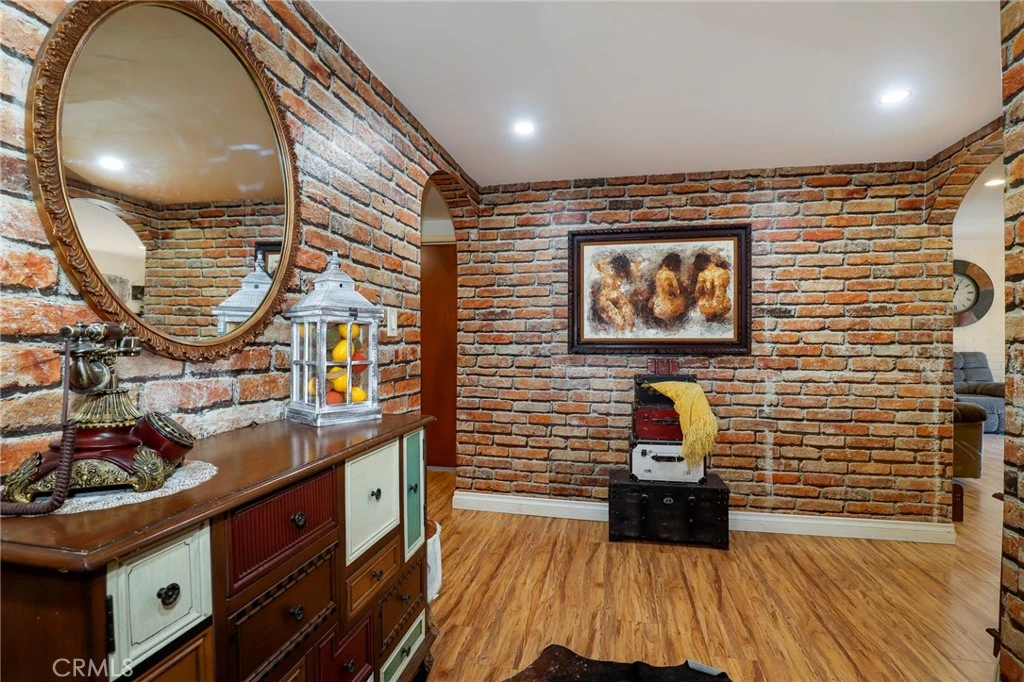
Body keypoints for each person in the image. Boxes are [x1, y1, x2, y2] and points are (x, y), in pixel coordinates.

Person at [593, 255, 636, 331]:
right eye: (620, 271)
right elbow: (597, 263)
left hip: (619, 298)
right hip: (606, 300)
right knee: (620, 323)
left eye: (624, 271)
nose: (622, 274)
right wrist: (610, 260)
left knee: (630, 319)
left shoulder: (628, 271)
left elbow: (638, 262)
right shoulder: (607, 272)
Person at [694, 256, 732, 321]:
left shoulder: (702, 274)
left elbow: (698, 292)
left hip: (709, 308)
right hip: (725, 306)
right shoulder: (725, 272)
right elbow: (726, 287)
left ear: (702, 264)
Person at [651, 253, 686, 321]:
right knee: (684, 301)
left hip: (658, 307)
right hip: (667, 309)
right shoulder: (670, 275)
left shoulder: (659, 273)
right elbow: (676, 292)